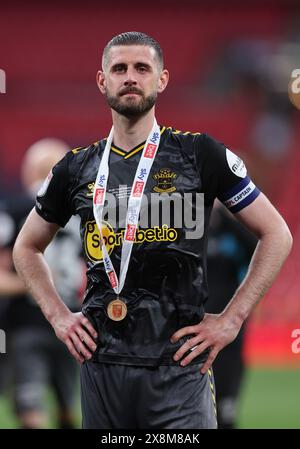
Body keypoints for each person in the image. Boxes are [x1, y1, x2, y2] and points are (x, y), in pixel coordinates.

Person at [12, 32, 292, 429]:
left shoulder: (201, 154)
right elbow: (26, 247)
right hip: (101, 366)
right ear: (102, 80)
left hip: (179, 367)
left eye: (142, 68)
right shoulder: (75, 167)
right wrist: (59, 316)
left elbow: (277, 235)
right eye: (119, 69)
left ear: (161, 80)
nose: (130, 77)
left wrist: (232, 319)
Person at [0, 138, 83, 429]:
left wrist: (35, 283)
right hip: (75, 324)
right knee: (69, 410)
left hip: (28, 325)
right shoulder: (82, 212)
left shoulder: (15, 208)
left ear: (29, 170)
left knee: (30, 410)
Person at [206, 202, 257, 428]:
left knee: (225, 413)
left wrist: (225, 214)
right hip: (196, 328)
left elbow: (260, 248)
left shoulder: (232, 234)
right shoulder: (191, 234)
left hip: (229, 332)